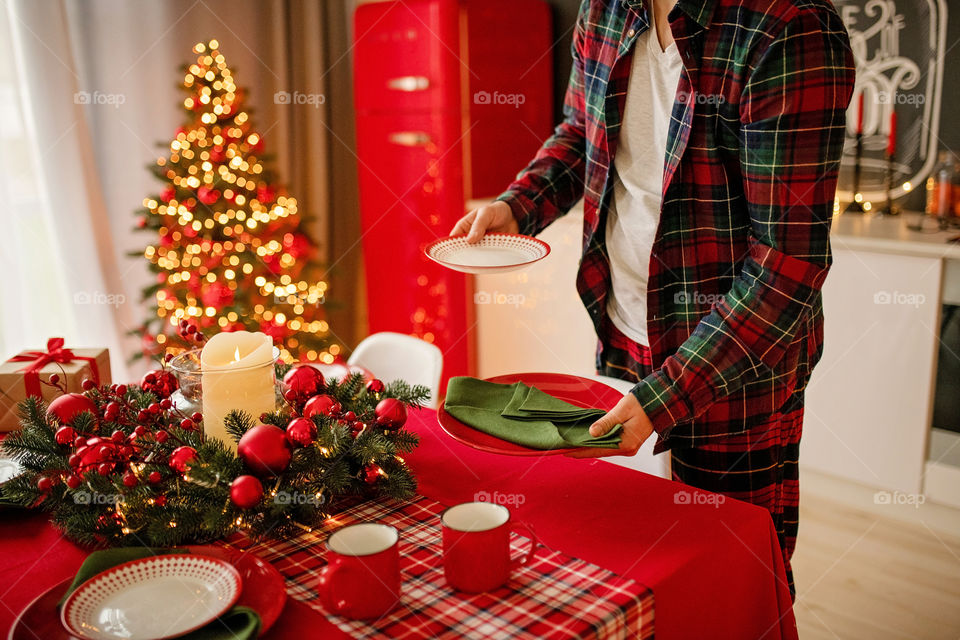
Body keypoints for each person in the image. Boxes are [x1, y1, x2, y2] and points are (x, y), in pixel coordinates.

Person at [451, 0, 855, 598]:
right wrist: (518, 204)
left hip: (735, 377)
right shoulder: (607, 9)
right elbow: (577, 134)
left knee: (730, 582)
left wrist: (663, 398)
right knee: (629, 570)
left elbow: (786, 267)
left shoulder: (790, 30)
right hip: (621, 341)